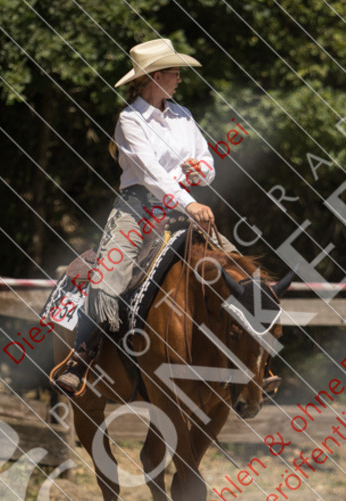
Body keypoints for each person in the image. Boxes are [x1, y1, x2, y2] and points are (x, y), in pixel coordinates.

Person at [52, 38, 238, 395]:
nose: (180, 77)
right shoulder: (129, 120)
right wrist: (189, 203)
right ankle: (82, 355)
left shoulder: (183, 114)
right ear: (153, 77)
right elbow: (151, 175)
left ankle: (250, 356)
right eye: (173, 70)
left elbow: (207, 163)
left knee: (234, 268)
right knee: (109, 275)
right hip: (138, 208)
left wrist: (200, 172)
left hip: (184, 206)